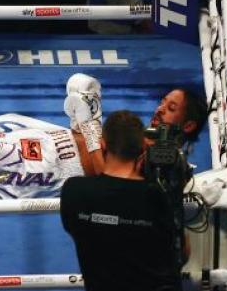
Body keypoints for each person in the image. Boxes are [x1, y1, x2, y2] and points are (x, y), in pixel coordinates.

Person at [0, 74, 206, 200]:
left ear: (187, 125)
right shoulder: (145, 135)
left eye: (171, 107)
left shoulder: (162, 160)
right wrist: (84, 121)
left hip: (35, 167)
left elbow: (109, 177)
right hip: (46, 146)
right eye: (163, 101)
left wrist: (90, 124)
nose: (160, 108)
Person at [60, 110, 184, 291]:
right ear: (143, 147)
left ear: (103, 144)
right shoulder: (156, 196)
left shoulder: (74, 191)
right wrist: (174, 188)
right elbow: (181, 254)